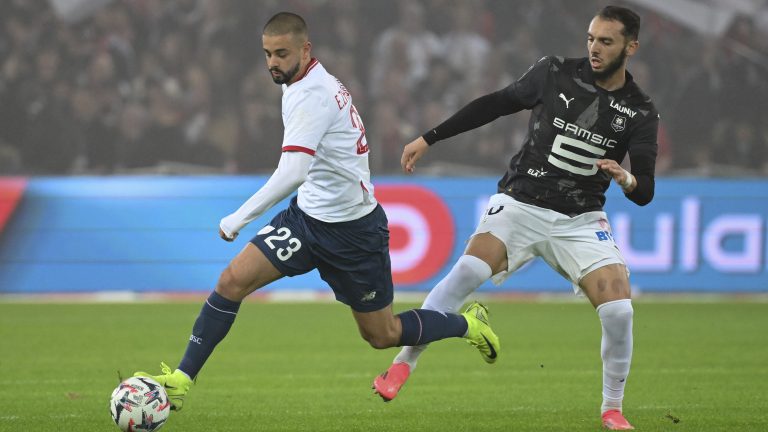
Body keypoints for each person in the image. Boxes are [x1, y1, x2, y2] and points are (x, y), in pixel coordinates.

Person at [134, 12, 499, 412]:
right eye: (268, 54)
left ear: (305, 49)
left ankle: (468, 324)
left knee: (382, 334)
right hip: (307, 221)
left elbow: (294, 171)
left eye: (282, 53)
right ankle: (182, 380)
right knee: (232, 281)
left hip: (354, 233)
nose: (273, 62)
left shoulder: (313, 95)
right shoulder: (304, 83)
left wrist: (237, 218)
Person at [372, 6, 658, 431]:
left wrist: (627, 178)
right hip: (522, 201)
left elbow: (646, 190)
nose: (595, 48)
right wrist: (429, 138)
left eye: (607, 41)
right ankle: (401, 366)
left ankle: (612, 409)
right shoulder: (554, 73)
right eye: (591, 38)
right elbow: (494, 104)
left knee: (619, 311)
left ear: (630, 47)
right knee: (466, 272)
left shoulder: (640, 110)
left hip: (580, 219)